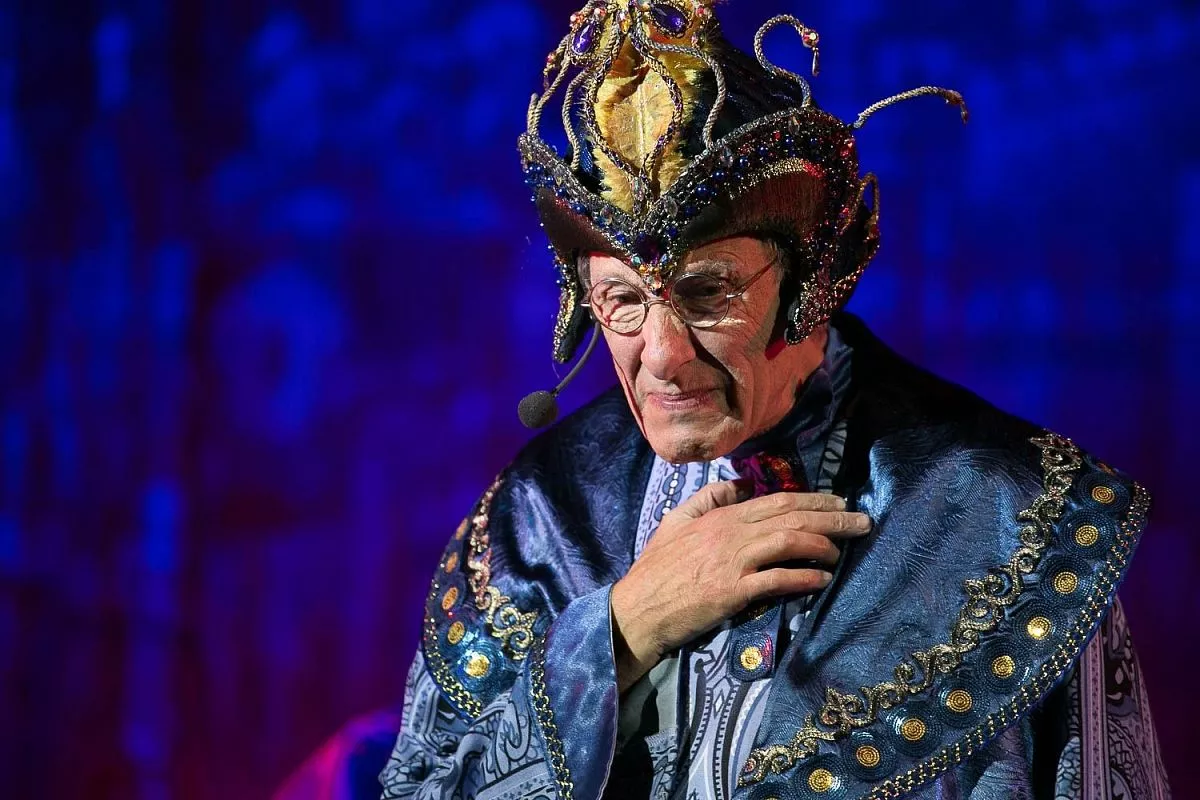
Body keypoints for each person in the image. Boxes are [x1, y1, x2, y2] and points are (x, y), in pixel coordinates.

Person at [378, 3, 1169, 798]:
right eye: (621, 301)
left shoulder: (1009, 518)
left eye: (707, 293)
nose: (662, 356)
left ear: (810, 286)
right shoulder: (539, 518)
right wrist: (622, 630)